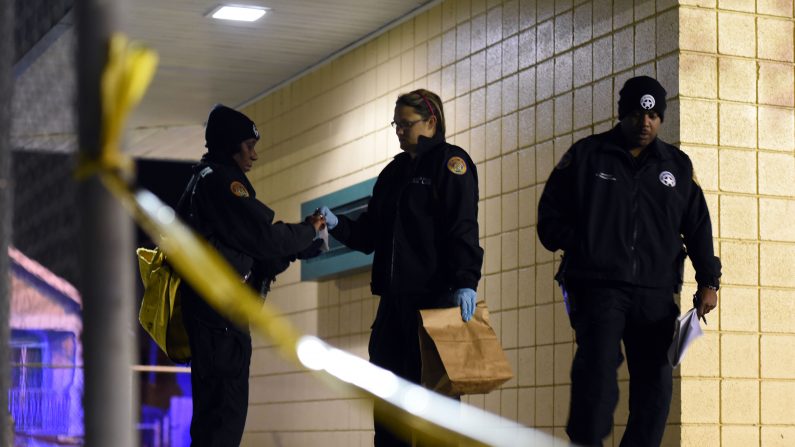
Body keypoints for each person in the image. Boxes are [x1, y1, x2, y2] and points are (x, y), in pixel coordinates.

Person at [537, 76, 722, 447]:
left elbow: (698, 226)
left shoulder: (677, 166)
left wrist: (709, 280)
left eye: (654, 116)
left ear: (661, 118)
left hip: (655, 291)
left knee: (655, 386)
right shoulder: (587, 156)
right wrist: (588, 244)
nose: (646, 123)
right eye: (638, 113)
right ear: (623, 113)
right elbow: (550, 218)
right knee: (597, 374)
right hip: (599, 286)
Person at [317, 89, 483, 446]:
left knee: (435, 415)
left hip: (435, 304)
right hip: (393, 309)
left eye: (406, 124)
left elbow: (462, 229)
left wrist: (466, 280)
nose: (399, 131)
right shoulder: (393, 173)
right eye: (396, 123)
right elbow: (370, 234)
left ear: (431, 122)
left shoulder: (451, 165)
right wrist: (336, 223)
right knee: (389, 414)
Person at [176, 104, 325, 447]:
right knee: (224, 423)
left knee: (213, 422)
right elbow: (262, 238)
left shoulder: (200, 181)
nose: (254, 155)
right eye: (248, 146)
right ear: (230, 144)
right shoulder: (223, 183)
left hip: (209, 321)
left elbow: (246, 254)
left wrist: (296, 249)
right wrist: (307, 230)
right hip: (221, 323)